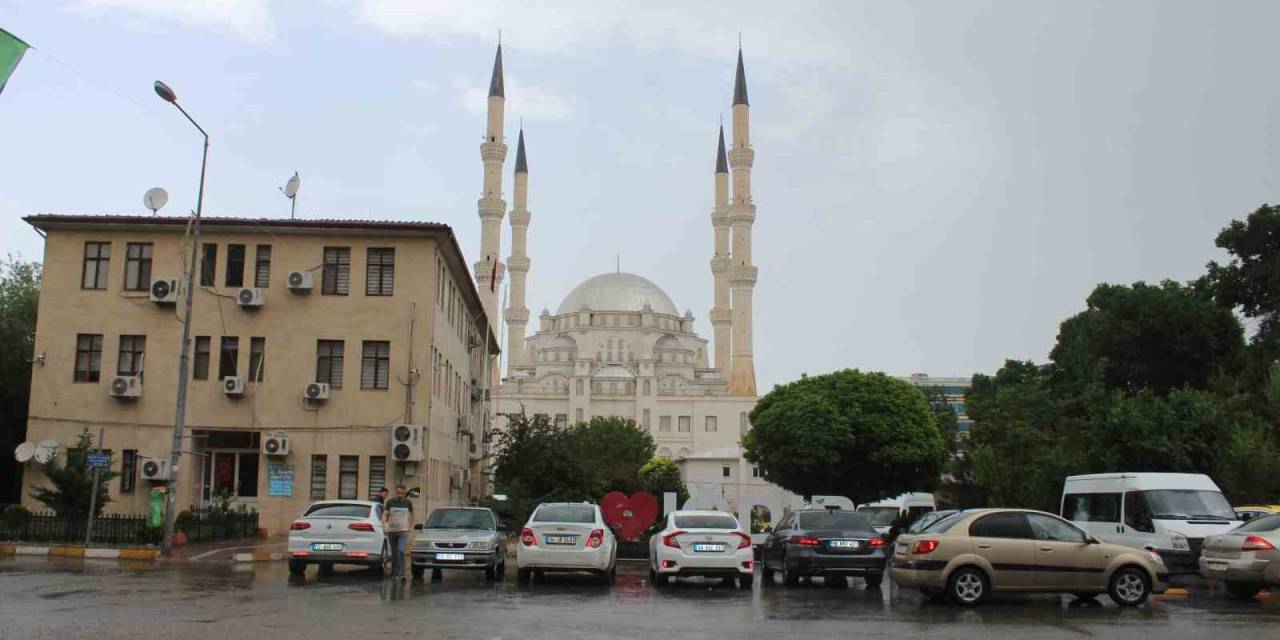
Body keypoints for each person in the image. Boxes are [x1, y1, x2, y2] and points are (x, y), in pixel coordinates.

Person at [381, 484, 413, 579]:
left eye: (402, 493)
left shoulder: (408, 503)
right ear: (396, 492)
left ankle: (402, 573)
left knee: (401, 550)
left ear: (404, 493)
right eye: (398, 493)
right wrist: (384, 526)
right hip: (392, 531)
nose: (400, 495)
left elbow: (412, 515)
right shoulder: (390, 502)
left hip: (402, 530)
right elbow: (384, 515)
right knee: (394, 552)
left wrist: (410, 526)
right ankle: (394, 573)